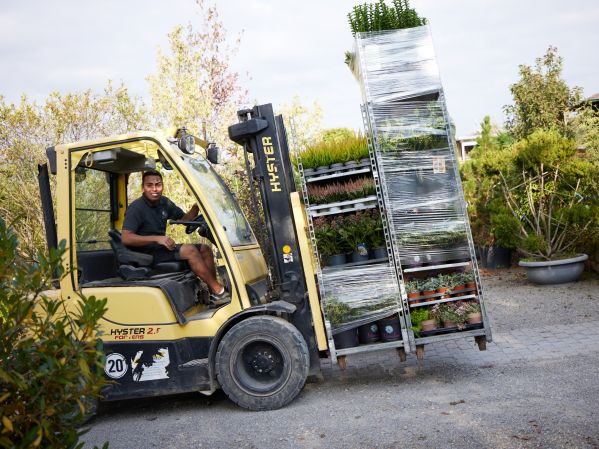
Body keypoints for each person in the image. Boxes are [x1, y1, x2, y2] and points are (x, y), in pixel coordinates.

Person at [121, 169, 229, 304]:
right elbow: (126, 237)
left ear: (162, 186)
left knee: (205, 249)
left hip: (159, 249)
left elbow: (184, 219)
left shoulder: (164, 203)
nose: (154, 189)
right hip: (145, 254)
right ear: (143, 188)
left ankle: (213, 292)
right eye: (150, 185)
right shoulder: (136, 208)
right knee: (190, 250)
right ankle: (219, 290)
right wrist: (157, 238)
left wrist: (196, 207)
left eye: (158, 185)